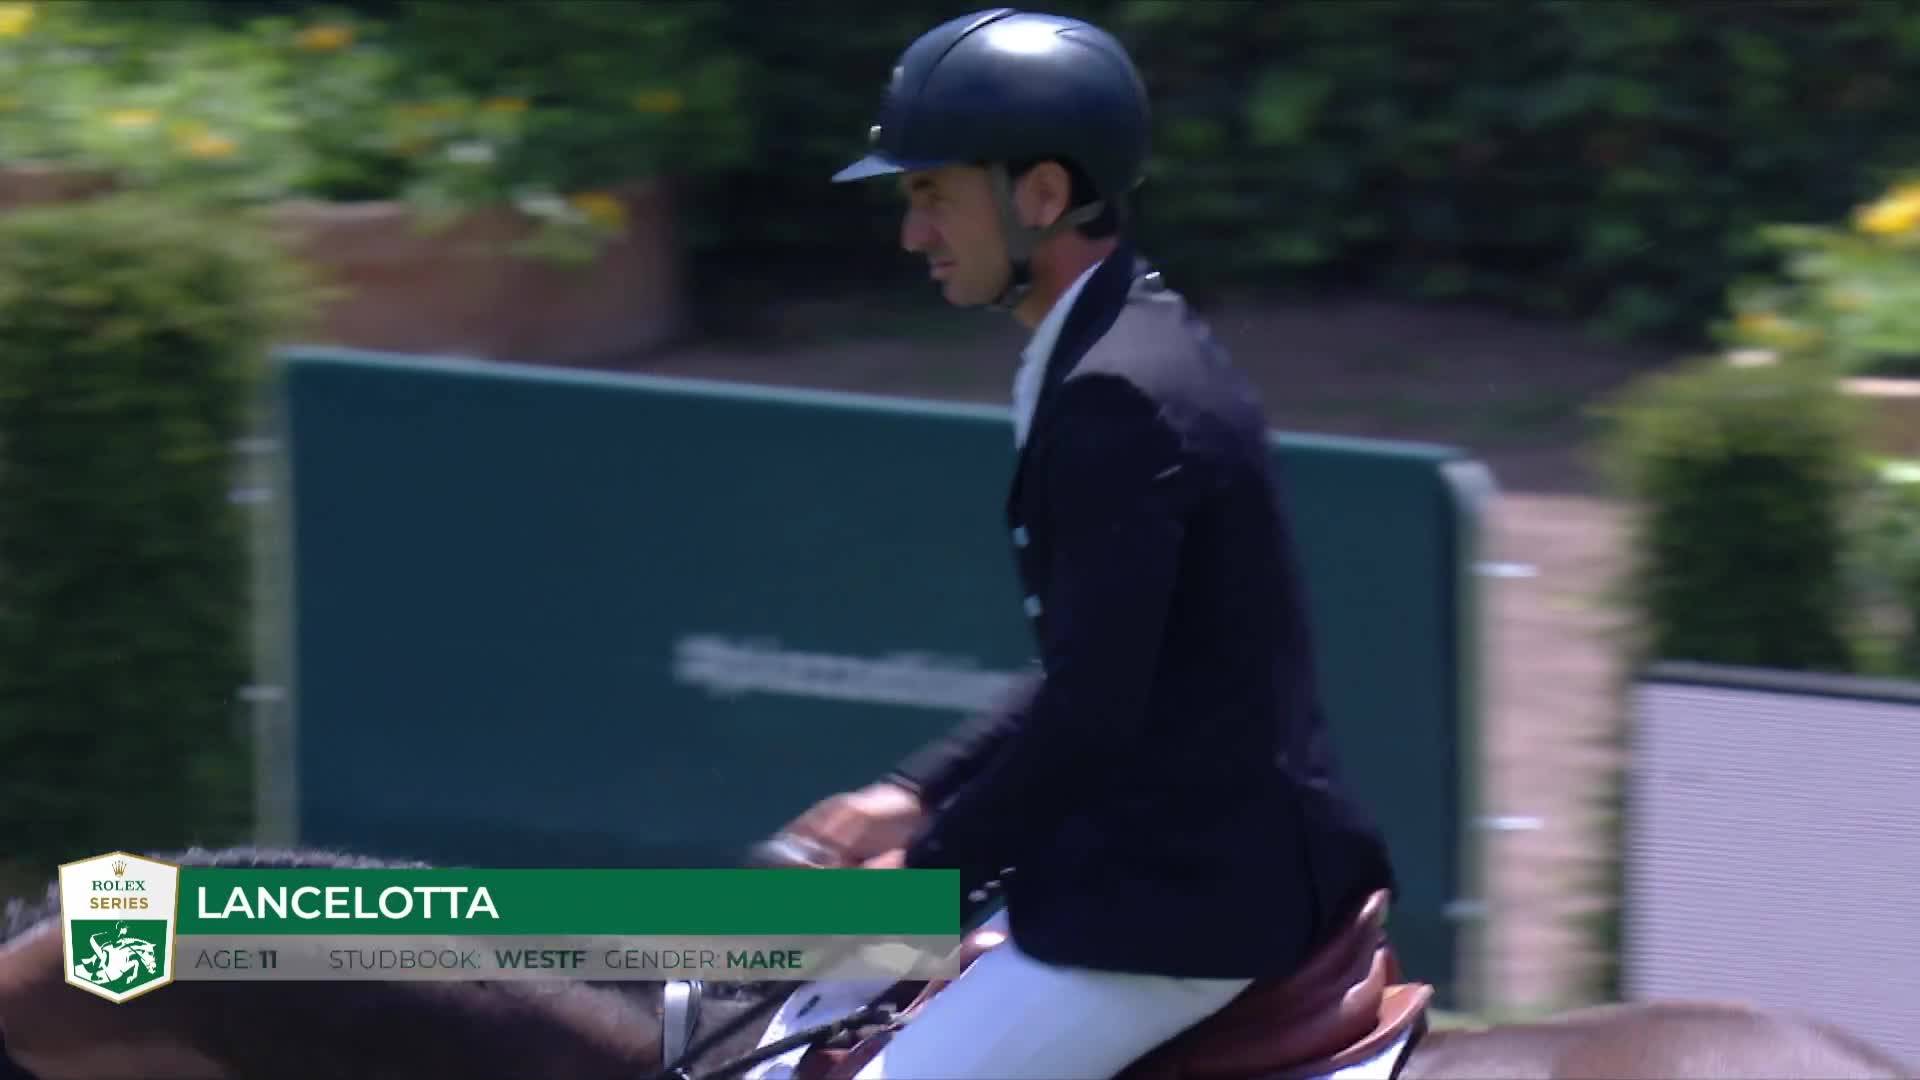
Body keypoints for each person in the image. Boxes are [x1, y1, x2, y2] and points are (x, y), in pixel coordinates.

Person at [769, 8, 1400, 1078]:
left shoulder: (1118, 395)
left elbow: (1096, 711)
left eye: (934, 194)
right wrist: (915, 791)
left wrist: (926, 875)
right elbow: (1103, 664)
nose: (913, 233)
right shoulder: (1112, 347)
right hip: (1155, 866)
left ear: (1043, 194)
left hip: (1183, 905)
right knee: (772, 986)